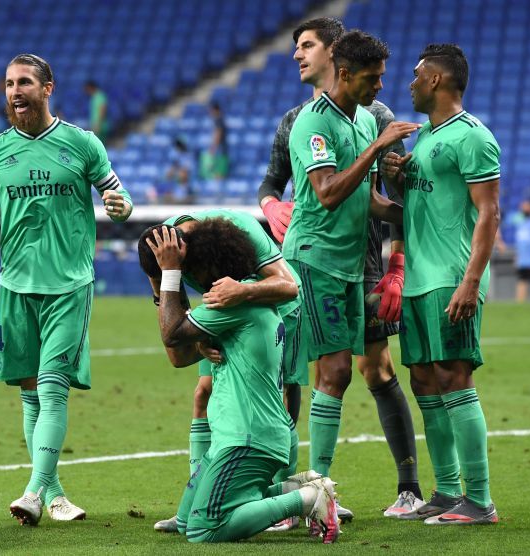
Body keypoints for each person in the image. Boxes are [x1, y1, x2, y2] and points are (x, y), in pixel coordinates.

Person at [0, 53, 133, 526]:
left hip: (69, 286)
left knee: (52, 390)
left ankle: (32, 491)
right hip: (15, 287)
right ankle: (53, 493)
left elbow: (120, 195)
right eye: (9, 84)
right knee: (30, 395)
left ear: (48, 87)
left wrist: (120, 206)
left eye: (25, 82)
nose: (15, 91)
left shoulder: (83, 144)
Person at [258, 17, 424, 519]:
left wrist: (416, 216)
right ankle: (311, 492)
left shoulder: (364, 120)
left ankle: (318, 490)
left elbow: (367, 199)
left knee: (343, 373)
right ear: (346, 71)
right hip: (315, 260)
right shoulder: (311, 122)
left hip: (353, 263)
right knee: (321, 372)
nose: (380, 86)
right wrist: (376, 149)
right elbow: (328, 194)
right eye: (373, 78)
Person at [146, 220, 339, 544]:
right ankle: (301, 486)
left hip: (246, 437)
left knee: (204, 528)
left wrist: (169, 271)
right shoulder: (250, 296)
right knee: (185, 519)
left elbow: (171, 333)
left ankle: (307, 500)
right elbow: (183, 352)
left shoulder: (230, 300)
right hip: (245, 434)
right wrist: (200, 342)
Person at [381, 43, 500, 524]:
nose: (408, 82)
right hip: (418, 279)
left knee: (455, 377)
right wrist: (397, 177)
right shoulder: (427, 139)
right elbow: (420, 205)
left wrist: (471, 282)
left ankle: (481, 500)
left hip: (451, 277)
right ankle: (448, 491)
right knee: (426, 381)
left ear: (436, 81)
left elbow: (489, 212)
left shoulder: (473, 137)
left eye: (416, 74)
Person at [199, 103, 229, 179]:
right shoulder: (221, 119)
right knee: (218, 172)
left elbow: (218, 134)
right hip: (222, 149)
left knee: (219, 173)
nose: (210, 113)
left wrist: (213, 148)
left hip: (220, 150)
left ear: (215, 110)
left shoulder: (218, 120)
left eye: (211, 111)